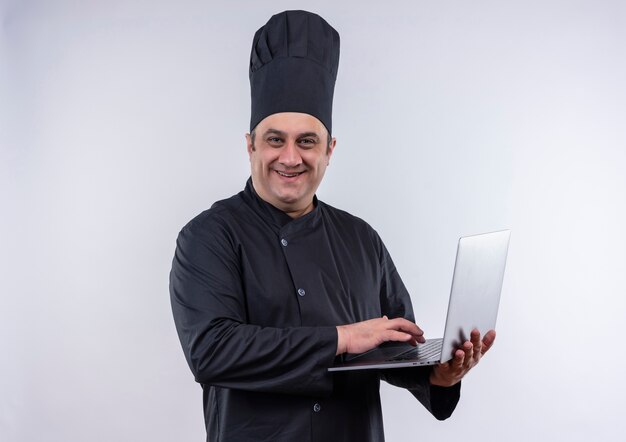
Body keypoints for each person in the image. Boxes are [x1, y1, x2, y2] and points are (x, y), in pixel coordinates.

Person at [170, 10, 496, 442]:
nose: (290, 157)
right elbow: (212, 351)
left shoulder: (362, 240)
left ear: (330, 149)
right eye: (274, 139)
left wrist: (440, 374)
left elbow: (395, 349)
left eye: (307, 141)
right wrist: (341, 338)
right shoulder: (208, 236)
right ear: (250, 145)